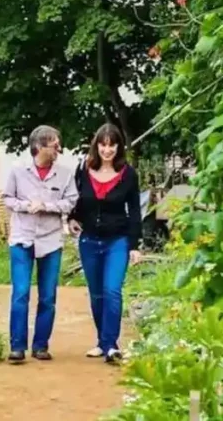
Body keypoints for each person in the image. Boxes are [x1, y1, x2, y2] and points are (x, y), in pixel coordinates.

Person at [1, 125, 78, 364]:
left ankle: (41, 345)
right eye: (55, 145)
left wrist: (46, 205)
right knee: (21, 292)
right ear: (40, 146)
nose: (59, 149)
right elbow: (7, 198)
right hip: (22, 238)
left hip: (50, 240)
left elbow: (71, 202)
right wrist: (26, 205)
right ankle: (17, 347)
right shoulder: (17, 171)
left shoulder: (65, 174)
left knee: (47, 296)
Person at [68, 123, 142, 364]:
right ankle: (103, 342)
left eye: (112, 145)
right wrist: (71, 219)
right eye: (103, 144)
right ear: (96, 145)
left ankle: (111, 345)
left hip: (117, 241)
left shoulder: (128, 174)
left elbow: (135, 211)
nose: (107, 150)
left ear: (119, 147)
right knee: (97, 294)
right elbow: (76, 202)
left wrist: (134, 244)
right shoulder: (84, 170)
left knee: (112, 290)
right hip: (89, 240)